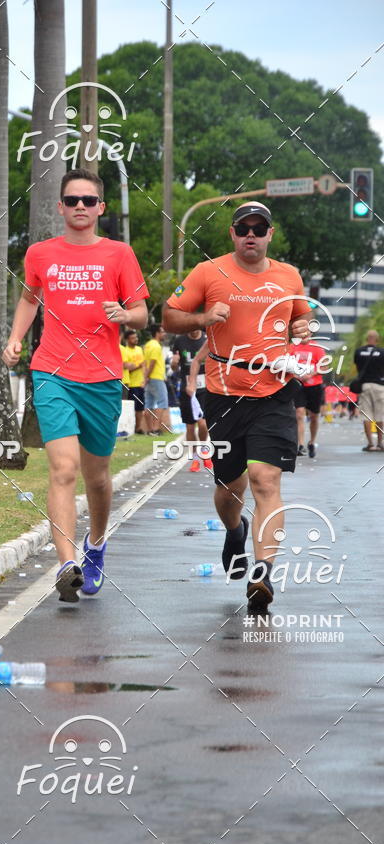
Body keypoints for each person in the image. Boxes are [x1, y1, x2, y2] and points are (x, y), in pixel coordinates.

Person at [2, 168, 149, 603]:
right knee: (64, 469)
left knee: (97, 476)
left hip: (102, 376)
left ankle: (96, 545)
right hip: (52, 371)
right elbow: (30, 299)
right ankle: (67, 564)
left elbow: (141, 310)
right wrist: (15, 339)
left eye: (88, 200)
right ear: (60, 207)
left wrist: (126, 316)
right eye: (72, 200)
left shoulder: (120, 254)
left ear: (101, 207)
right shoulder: (41, 254)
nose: (80, 206)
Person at [163, 201, 311, 609]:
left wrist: (303, 327)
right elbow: (169, 316)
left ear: (269, 234)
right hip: (225, 393)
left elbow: (303, 324)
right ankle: (234, 530)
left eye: (258, 228)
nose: (251, 234)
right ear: (232, 233)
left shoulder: (289, 276)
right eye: (243, 227)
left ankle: (262, 574)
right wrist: (203, 319)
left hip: (275, 390)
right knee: (231, 487)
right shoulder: (208, 272)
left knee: (266, 480)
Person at [172, 330, 212, 472]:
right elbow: (174, 367)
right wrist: (174, 363)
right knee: (190, 426)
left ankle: (204, 451)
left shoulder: (207, 339)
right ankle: (195, 458)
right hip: (187, 389)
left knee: (202, 424)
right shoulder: (179, 340)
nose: (194, 331)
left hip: (204, 388)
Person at [291, 339, 326, 458]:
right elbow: (286, 365)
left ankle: (311, 442)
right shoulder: (292, 347)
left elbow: (324, 367)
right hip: (298, 384)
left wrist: (310, 375)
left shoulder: (317, 348)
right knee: (299, 413)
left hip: (314, 385)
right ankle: (300, 445)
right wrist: (296, 375)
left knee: (314, 416)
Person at [354, 330, 384, 451]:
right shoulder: (382, 352)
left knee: (366, 414)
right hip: (380, 385)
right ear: (377, 340)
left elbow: (358, 366)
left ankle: (370, 444)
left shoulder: (359, 351)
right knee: (380, 415)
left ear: (367, 338)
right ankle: (380, 443)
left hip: (365, 385)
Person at [143, 324, 170, 435]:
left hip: (149, 378)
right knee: (162, 403)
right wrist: (148, 376)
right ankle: (156, 429)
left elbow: (145, 363)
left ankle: (149, 430)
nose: (164, 334)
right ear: (157, 333)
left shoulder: (147, 345)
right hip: (156, 377)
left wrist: (145, 377)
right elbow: (153, 363)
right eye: (162, 332)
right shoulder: (156, 346)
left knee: (148, 404)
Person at [122, 329, 146, 433]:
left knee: (140, 407)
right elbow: (127, 368)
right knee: (131, 408)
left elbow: (143, 365)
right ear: (127, 340)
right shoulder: (125, 350)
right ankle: (130, 427)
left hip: (141, 383)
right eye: (133, 338)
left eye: (136, 337)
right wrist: (138, 366)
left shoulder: (140, 349)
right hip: (131, 384)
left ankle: (138, 428)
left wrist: (145, 379)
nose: (136, 339)